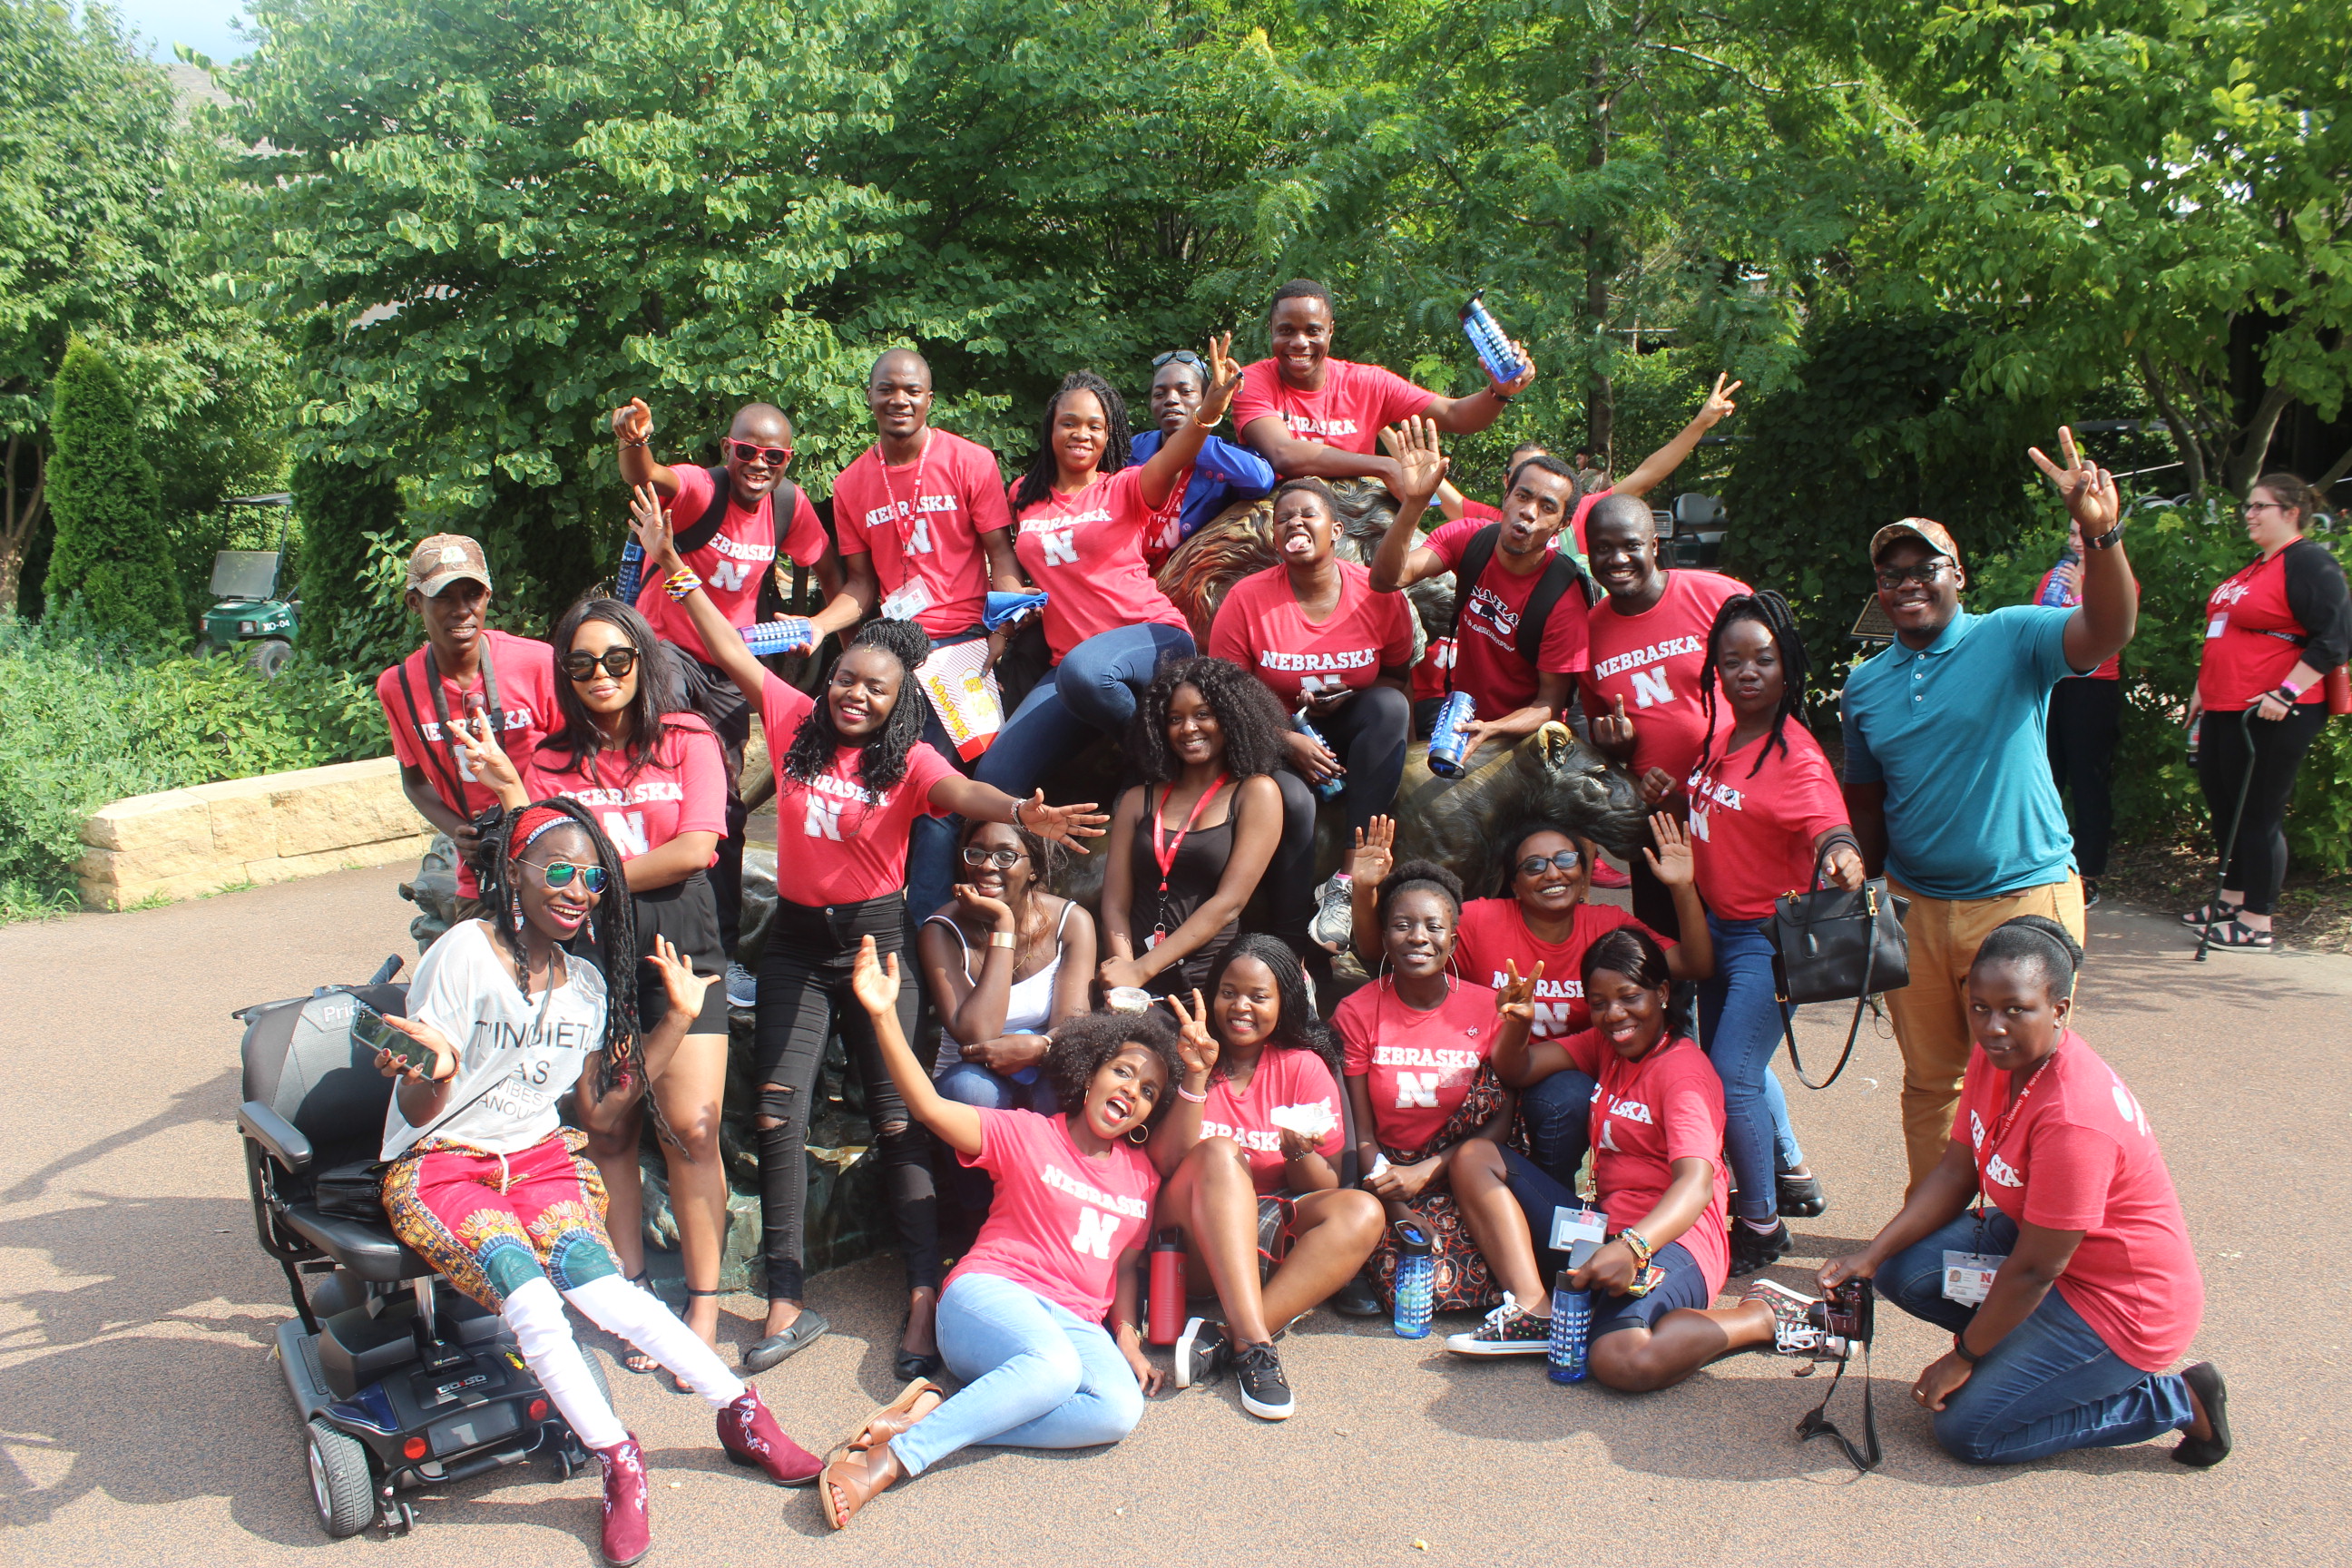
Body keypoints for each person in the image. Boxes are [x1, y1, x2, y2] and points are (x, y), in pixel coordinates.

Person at [631, 499, 1107, 1382]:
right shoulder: (790, 721)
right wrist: (676, 568)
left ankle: (924, 1291)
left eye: (874, 688)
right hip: (799, 951)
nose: (854, 694)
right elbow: (732, 649)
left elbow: (966, 800)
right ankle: (785, 1296)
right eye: (846, 678)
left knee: (897, 1117)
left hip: (876, 949)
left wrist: (1019, 810)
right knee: (779, 1108)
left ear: (897, 703)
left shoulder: (914, 761)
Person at [372, 800, 820, 1568]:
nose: (579, 889)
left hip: (541, 1157)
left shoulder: (584, 983)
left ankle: (741, 1414)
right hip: (443, 1162)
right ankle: (620, 1461)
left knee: (608, 1290)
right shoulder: (463, 953)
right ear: (514, 873)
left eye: (593, 878)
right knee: (537, 1302)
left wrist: (677, 1020)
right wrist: (430, 1071)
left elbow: (600, 1114)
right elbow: (419, 1102)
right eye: (558, 872)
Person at [1804, 916, 2228, 1466]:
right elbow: (1957, 1171)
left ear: (2060, 1010)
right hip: (2043, 1253)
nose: (1992, 1026)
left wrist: (1964, 1355)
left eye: (2015, 1009)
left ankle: (2175, 1400)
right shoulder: (1998, 1055)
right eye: (1980, 1007)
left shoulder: (2076, 1119)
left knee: (1968, 1432)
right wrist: (1870, 1253)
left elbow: (2034, 1270)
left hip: (2120, 1305)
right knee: (1901, 1269)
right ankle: (2024, 1359)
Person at [1841, 427, 2137, 1191]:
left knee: (2029, 1076)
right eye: (1890, 572)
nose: (1907, 581)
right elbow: (1869, 805)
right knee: (1930, 1082)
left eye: (1924, 567)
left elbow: (2107, 630)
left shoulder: (2010, 637)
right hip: (1917, 909)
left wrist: (2099, 536)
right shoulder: (1866, 685)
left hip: (2023, 898)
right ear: (1878, 588)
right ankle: (1932, 1237)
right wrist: (1863, 896)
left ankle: (2032, 1232)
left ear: (1958, 576)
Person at [454, 597, 734, 1375]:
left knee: (692, 1128)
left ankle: (703, 1304)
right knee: (606, 1128)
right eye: (580, 664)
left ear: (643, 660)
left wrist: (590, 881)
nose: (600, 676)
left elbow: (694, 850)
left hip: (681, 951)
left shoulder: (686, 739)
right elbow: (538, 855)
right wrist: (514, 786)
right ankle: (632, 1291)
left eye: (616, 658)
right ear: (563, 675)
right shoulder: (548, 759)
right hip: (585, 967)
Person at [817, 939, 1184, 1529]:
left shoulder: (1140, 1176)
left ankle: (937, 1414)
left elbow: (1124, 1266)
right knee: (1056, 1370)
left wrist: (1128, 1335)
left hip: (1070, 1324)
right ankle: (893, 1459)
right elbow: (932, 1109)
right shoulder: (1026, 1134)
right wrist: (884, 1018)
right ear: (1090, 1073)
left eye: (1147, 1092)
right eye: (1123, 1072)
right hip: (987, 1298)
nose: (1131, 1092)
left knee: (1118, 1410)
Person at [1446, 928, 1789, 1388]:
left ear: (1663, 993)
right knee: (1475, 1158)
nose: (1614, 1015)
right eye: (1600, 1001)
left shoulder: (1684, 1074)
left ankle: (1760, 1316)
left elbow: (1696, 1184)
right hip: (1605, 1231)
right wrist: (1518, 1023)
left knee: (1621, 1360)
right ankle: (1535, 1311)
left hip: (1673, 1241)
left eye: (1629, 997)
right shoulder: (1606, 1046)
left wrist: (1633, 1246)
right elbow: (1517, 1068)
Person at [610, 397, 862, 1003]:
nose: (758, 463)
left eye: (772, 455)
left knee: (721, 812)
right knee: (663, 782)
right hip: (665, 649)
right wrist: (634, 440)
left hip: (729, 664)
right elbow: (648, 477)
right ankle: (633, 936)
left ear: (786, 461)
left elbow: (839, 576)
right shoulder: (702, 490)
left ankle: (718, 954)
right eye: (746, 451)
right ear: (727, 449)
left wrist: (822, 627)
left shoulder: (787, 505)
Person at [1347, 811, 1710, 1188]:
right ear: (1515, 884)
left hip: (1561, 1077)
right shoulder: (1480, 920)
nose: (1553, 874)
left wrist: (1683, 887)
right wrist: (1364, 889)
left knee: (1567, 1094)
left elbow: (1695, 964)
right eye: (1534, 865)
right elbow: (1384, 950)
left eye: (1566, 860)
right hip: (1488, 1078)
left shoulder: (1608, 925)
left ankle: (1549, 1196)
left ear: (1585, 874)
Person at [972, 340, 1246, 808]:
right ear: (1050, 430)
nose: (1082, 434)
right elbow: (1010, 572)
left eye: (1095, 426)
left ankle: (1163, 769)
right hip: (1073, 667)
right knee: (991, 780)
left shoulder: (1124, 487)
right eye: (1069, 423)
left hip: (1150, 638)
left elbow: (1175, 454)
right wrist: (1007, 616)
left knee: (1087, 671)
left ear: (1109, 434)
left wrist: (1210, 410)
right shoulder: (1024, 495)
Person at [1686, 591, 1859, 1269]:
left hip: (1767, 941)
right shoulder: (1727, 735)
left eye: (1764, 659)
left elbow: (1830, 826)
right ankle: (1791, 1171)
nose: (1747, 672)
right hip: (1716, 933)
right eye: (1733, 661)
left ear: (1788, 668)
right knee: (1738, 1063)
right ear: (1718, 670)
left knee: (1730, 1074)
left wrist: (1840, 855)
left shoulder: (1797, 756)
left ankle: (1760, 1225)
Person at [831, 349, 1032, 922]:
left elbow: (1001, 555)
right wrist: (827, 633)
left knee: (935, 793)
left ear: (930, 398)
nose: (900, 400)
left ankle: (928, 929)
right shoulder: (850, 484)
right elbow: (861, 584)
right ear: (869, 396)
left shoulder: (970, 461)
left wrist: (1003, 625)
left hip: (962, 644)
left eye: (912, 390)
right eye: (887, 390)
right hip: (893, 649)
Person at [1150, 937, 1387, 1420]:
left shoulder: (1303, 1067)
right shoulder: (1182, 1053)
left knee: (1364, 1209)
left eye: (1259, 996)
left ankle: (1227, 1338)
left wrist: (1297, 1153)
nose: (1241, 1007)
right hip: (1190, 1242)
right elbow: (1167, 1164)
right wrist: (1196, 1076)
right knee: (1219, 1153)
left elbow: (1324, 1188)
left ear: (1284, 1003)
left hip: (1266, 1242)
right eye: (1229, 992)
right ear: (1212, 995)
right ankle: (1258, 1349)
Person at [1336, 861, 1529, 1313]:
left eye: (1432, 926)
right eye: (1402, 926)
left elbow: (1503, 1111)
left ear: (1453, 941)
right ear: (1383, 940)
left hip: (1463, 1169)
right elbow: (1360, 1131)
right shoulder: (1357, 1011)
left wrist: (1430, 1170)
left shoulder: (1488, 1007)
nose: (1418, 937)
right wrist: (1397, 1205)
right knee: (1409, 1278)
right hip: (1385, 1174)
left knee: (1489, 1278)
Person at [2181, 472, 2351, 949]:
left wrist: (2287, 693)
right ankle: (2232, 897)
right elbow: (2224, 631)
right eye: (2249, 506)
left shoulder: (2309, 563)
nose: (2249, 514)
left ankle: (2258, 920)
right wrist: (2202, 687)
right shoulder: (2256, 566)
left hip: (2273, 710)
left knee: (2257, 812)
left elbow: (2336, 637)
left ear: (2292, 512)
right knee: (2225, 806)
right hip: (2224, 705)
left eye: (2261, 506)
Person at [374, 534, 561, 942]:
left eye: (473, 594)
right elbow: (415, 782)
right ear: (414, 602)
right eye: (444, 597)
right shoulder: (398, 687)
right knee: (478, 979)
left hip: (555, 854)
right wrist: (459, 831)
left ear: (488, 595)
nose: (462, 610)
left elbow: (580, 760)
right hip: (478, 869)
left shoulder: (538, 662)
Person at [1366, 421, 1589, 762]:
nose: (1529, 512)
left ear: (1561, 525)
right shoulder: (1470, 539)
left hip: (1524, 744)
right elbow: (1385, 580)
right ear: (1506, 496)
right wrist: (1415, 503)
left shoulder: (1562, 599)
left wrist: (1493, 729)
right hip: (1460, 721)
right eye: (1523, 496)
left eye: (1547, 507)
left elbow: (1549, 704)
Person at [1583, 490, 1752, 940]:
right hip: (1660, 823)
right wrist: (1614, 745)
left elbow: (1775, 686)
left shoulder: (1719, 596)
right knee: (1669, 957)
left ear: (1654, 545)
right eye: (1603, 548)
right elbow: (1598, 729)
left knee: (1749, 944)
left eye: (1630, 545)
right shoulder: (1588, 632)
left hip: (1736, 811)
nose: (1617, 558)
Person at [1209, 476, 1416, 842]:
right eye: (1283, 519)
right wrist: (1287, 740)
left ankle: (1352, 874)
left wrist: (1346, 698)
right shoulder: (1245, 599)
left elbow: (1397, 677)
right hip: (1272, 736)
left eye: (1308, 514)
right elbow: (1226, 701)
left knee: (1389, 705)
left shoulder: (1378, 594)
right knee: (1295, 805)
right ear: (1275, 537)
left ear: (1336, 530)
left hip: (1349, 730)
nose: (1295, 523)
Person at [1098, 658, 1289, 996]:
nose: (1188, 728)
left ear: (1231, 718)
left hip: (1210, 981)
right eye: (1175, 719)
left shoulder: (1256, 793)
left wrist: (1141, 970)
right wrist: (1127, 976)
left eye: (1203, 714)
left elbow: (1230, 901)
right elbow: (1114, 903)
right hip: (1133, 975)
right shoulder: (1136, 800)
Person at [1231, 278, 1535, 486]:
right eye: (1286, 331)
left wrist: (1499, 391)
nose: (1299, 342)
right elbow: (1283, 454)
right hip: (1275, 516)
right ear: (1271, 329)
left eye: (1313, 331)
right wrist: (1383, 465)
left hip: (1354, 512)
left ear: (1330, 330)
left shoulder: (1368, 383)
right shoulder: (1253, 380)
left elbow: (1456, 415)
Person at [917, 816, 1096, 1114]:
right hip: (970, 1078)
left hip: (1045, 1065)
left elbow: (1073, 1028)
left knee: (1062, 1086)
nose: (987, 866)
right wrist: (1003, 924)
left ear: (1034, 869)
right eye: (976, 853)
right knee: (973, 1091)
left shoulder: (1072, 922)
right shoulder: (941, 931)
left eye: (1006, 855)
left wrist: (1041, 1048)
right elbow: (978, 1033)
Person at [2034, 517, 2134, 907]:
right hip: (2052, 685)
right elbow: (2038, 624)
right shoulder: (2054, 575)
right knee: (2046, 775)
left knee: (2089, 781)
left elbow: (2114, 627)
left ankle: (2089, 873)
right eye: (2073, 533)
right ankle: (2044, 864)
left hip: (2094, 687)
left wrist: (2082, 593)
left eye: (2083, 533)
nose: (2077, 541)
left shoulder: (2113, 576)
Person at [1132, 348, 1279, 567]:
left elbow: (1260, 479)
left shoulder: (1221, 454)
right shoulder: (1130, 451)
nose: (1171, 400)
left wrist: (1198, 431)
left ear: (1205, 398)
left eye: (1185, 391)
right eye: (1159, 394)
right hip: (1127, 577)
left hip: (1187, 584)